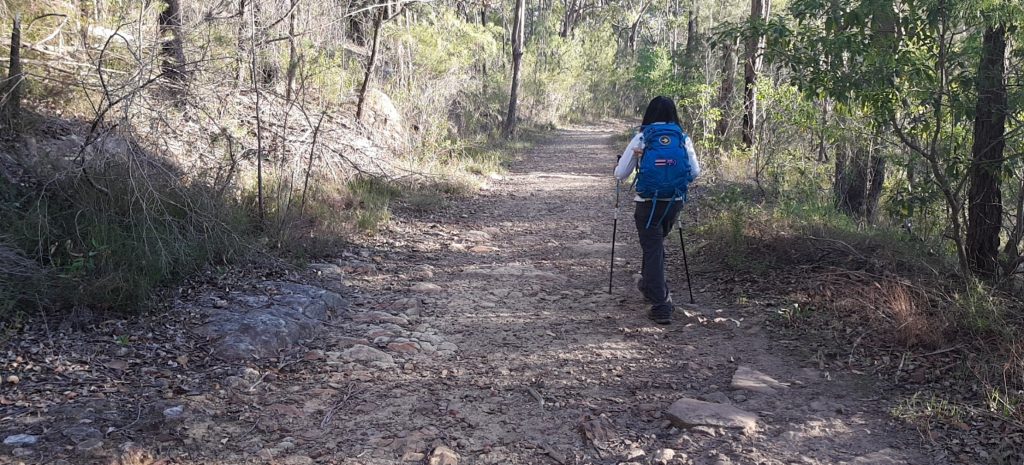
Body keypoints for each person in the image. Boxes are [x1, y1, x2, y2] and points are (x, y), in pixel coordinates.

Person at [613, 96, 700, 324]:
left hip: (647, 202)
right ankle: (648, 285)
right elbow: (694, 172)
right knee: (654, 246)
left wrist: (623, 163)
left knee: (652, 248)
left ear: (649, 114)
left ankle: (661, 305)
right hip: (674, 202)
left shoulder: (642, 137)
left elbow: (621, 174)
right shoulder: (682, 138)